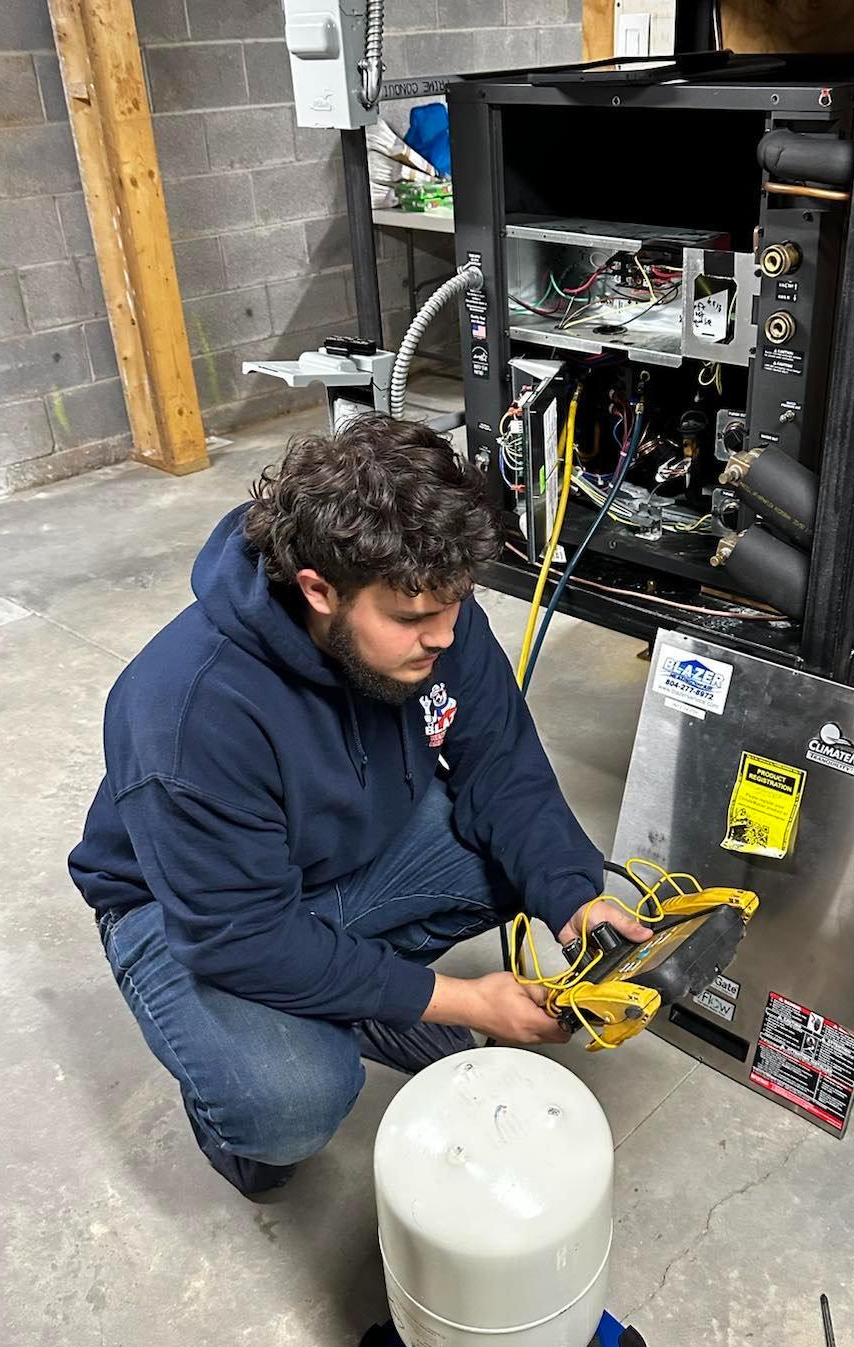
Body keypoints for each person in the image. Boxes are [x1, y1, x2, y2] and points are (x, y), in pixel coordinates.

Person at [69, 415, 648, 1197]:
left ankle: (353, 990)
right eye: (411, 620)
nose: (445, 637)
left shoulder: (435, 612)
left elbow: (502, 767)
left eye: (455, 608)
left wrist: (575, 899)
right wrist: (455, 998)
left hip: (328, 855)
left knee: (512, 856)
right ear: (318, 589)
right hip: (185, 916)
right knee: (293, 1101)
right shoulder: (191, 709)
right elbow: (239, 935)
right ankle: (240, 1109)